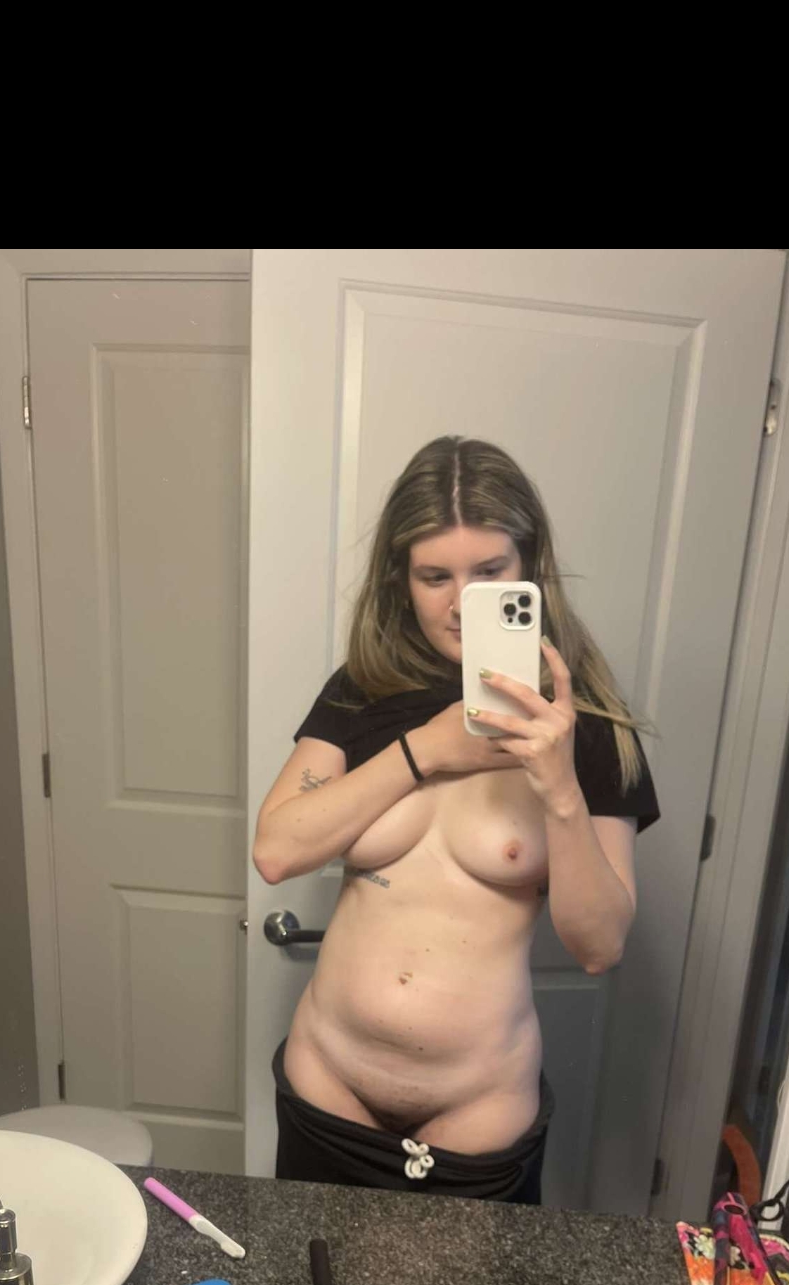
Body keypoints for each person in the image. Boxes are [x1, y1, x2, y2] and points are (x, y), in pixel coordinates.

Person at [253, 436, 660, 1203]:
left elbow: (599, 945)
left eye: (488, 572)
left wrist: (560, 789)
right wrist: (425, 751)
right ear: (399, 577)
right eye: (434, 576)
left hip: (477, 1112)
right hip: (327, 1083)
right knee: (311, 1283)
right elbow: (276, 850)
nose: (459, 602)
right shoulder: (361, 692)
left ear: (530, 567)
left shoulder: (584, 725)